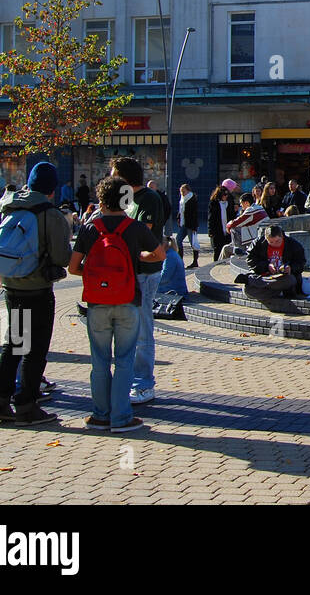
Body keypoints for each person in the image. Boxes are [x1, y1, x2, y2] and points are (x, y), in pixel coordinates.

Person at [68, 175, 166, 433]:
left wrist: (97, 275)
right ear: (127, 199)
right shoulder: (136, 228)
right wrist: (136, 260)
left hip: (97, 303)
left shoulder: (91, 228)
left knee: (99, 360)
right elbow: (159, 254)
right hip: (128, 300)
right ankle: (121, 416)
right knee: (125, 359)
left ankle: (99, 415)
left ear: (100, 199)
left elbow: (73, 267)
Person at [0, 162, 71, 427]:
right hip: (38, 289)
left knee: (15, 343)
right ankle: (27, 405)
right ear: (52, 190)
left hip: (12, 287)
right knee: (36, 349)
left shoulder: (8, 205)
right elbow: (61, 257)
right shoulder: (50, 214)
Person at [111, 157, 166, 405]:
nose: (110, 179)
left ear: (124, 177)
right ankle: (131, 378)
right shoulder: (126, 199)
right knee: (129, 327)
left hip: (145, 270)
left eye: (114, 174)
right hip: (128, 269)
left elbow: (139, 234)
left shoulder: (148, 199)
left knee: (143, 327)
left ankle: (144, 383)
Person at [244, 225, 308, 297]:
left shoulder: (293, 244)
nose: (275, 244)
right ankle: (278, 292)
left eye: (278, 241)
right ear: (266, 239)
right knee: (247, 289)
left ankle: (265, 289)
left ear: (282, 237)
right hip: (265, 276)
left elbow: (301, 263)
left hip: (284, 278)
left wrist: (290, 268)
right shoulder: (257, 243)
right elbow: (251, 261)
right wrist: (267, 266)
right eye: (271, 242)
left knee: (290, 280)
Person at [208, 183, 235, 263]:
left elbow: (232, 216)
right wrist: (210, 231)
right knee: (217, 249)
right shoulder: (214, 203)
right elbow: (211, 218)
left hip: (227, 230)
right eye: (224, 194)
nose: (226, 196)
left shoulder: (229, 203)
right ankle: (216, 264)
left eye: (227, 194)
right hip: (218, 230)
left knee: (227, 248)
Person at [176, 183, 200, 268]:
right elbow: (181, 211)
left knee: (193, 243)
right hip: (184, 224)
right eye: (181, 191)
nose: (182, 193)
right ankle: (180, 261)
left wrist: (194, 227)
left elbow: (194, 214)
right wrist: (178, 219)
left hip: (190, 225)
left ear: (188, 191)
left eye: (183, 191)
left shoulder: (192, 199)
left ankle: (195, 261)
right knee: (178, 240)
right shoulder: (182, 199)